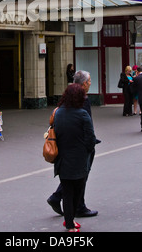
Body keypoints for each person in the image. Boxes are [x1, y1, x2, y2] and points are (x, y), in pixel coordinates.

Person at [47, 70, 99, 218]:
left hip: (66, 143)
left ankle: (58, 198)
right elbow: (87, 124)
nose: (90, 84)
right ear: (83, 84)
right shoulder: (83, 99)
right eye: (89, 81)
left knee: (71, 176)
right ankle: (78, 206)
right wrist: (90, 144)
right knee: (80, 176)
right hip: (80, 145)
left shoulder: (67, 96)